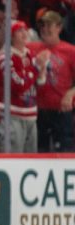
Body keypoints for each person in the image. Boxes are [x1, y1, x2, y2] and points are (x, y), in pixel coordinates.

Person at [0, 20, 48, 153]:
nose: (24, 33)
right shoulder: (4, 58)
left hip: (30, 115)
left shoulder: (30, 55)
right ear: (11, 36)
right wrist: (35, 69)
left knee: (31, 160)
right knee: (13, 159)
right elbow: (19, 85)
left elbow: (39, 83)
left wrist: (42, 70)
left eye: (25, 30)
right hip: (12, 116)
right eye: (19, 31)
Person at [27, 10, 75, 152]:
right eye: (42, 26)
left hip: (61, 110)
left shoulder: (70, 51)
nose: (45, 30)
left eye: (49, 25)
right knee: (39, 151)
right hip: (38, 110)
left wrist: (71, 93)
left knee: (64, 152)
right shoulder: (31, 48)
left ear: (59, 28)